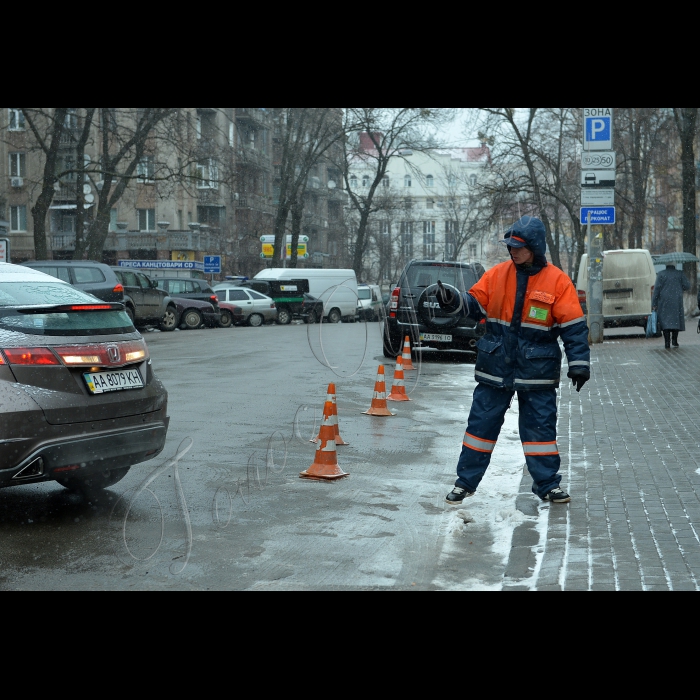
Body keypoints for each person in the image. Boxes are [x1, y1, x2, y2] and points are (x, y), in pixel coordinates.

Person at [437, 216, 590, 506]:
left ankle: (547, 486)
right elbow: (474, 304)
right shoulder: (497, 275)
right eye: (510, 247)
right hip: (496, 367)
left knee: (540, 432)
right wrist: (452, 301)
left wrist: (579, 363)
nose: (513, 251)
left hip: (537, 372)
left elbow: (574, 327)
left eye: (519, 247)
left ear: (534, 247)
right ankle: (464, 484)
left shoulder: (557, 281)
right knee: (480, 428)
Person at [652, 264, 690, 349]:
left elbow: (656, 290)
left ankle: (667, 342)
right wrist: (680, 288)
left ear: (666, 265)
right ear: (674, 265)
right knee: (675, 320)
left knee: (666, 322)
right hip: (676, 300)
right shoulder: (679, 274)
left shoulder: (661, 274)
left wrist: (654, 303)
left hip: (664, 301)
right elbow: (687, 286)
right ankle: (674, 340)